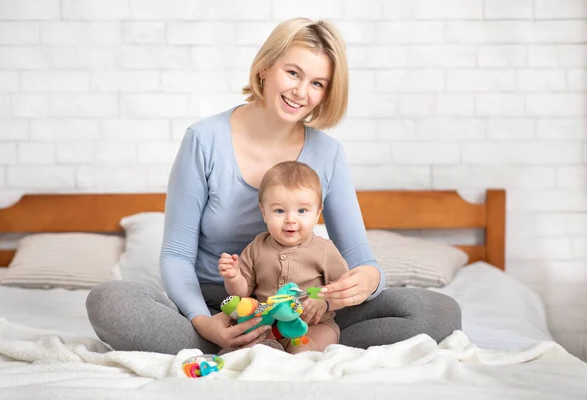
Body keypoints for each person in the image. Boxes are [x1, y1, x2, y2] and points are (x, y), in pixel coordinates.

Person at [86, 17, 461, 355]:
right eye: (293, 73)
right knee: (109, 301)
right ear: (265, 68)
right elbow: (176, 254)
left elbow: (362, 261)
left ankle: (302, 346)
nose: (301, 92)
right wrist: (203, 320)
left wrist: (364, 282)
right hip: (222, 305)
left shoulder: (328, 154)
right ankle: (220, 342)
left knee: (440, 312)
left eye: (317, 83)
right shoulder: (204, 140)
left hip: (305, 310)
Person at [219, 161, 349, 354]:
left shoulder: (324, 250)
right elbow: (243, 292)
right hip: (268, 326)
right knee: (249, 350)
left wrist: (325, 301)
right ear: (264, 212)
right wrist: (233, 277)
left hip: (314, 325)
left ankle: (299, 361)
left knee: (304, 350)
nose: (290, 219)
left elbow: (344, 289)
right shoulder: (257, 247)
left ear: (317, 213)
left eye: (302, 211)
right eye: (279, 211)